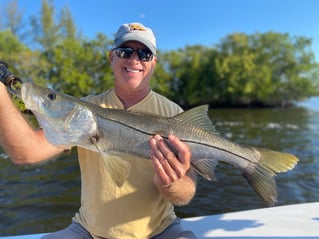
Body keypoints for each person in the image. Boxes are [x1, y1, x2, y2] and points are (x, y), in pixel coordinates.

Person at [0, 22, 197, 239]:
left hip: (160, 231)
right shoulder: (82, 110)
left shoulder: (176, 115)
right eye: (125, 51)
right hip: (88, 231)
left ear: (154, 63)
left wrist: (171, 183)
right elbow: (26, 152)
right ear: (112, 57)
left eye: (144, 54)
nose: (134, 59)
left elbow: (186, 194)